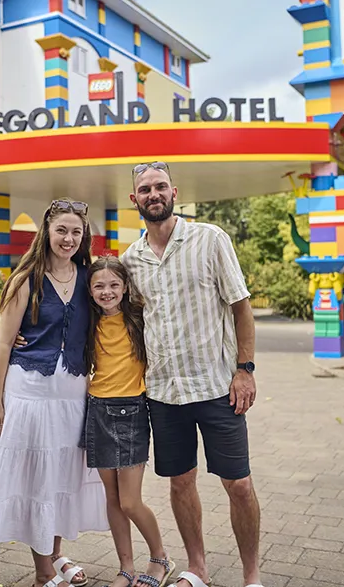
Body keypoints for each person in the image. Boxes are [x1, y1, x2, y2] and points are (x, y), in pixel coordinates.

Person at [121, 161, 263, 587]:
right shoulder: (131, 260)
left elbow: (241, 309)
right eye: (144, 189)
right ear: (135, 200)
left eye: (160, 186)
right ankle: (197, 568)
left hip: (218, 387)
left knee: (238, 484)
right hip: (163, 393)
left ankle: (251, 575)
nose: (153, 194)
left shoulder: (210, 238)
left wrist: (245, 370)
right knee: (180, 483)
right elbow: (113, 316)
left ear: (174, 191)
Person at [0, 198, 108, 587]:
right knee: (36, 480)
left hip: (73, 396)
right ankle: (43, 571)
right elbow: (1, 345)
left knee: (61, 477)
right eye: (61, 230)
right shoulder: (25, 280)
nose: (68, 238)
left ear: (84, 238)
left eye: (76, 232)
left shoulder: (88, 278)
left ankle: (57, 554)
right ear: (46, 232)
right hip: (29, 393)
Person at [82, 256, 176, 587]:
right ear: (90, 290)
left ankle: (160, 557)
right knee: (111, 498)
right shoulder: (88, 321)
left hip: (132, 413)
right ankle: (126, 568)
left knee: (130, 501)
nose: (106, 292)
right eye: (99, 286)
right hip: (97, 411)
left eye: (113, 285)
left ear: (124, 287)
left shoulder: (138, 318)